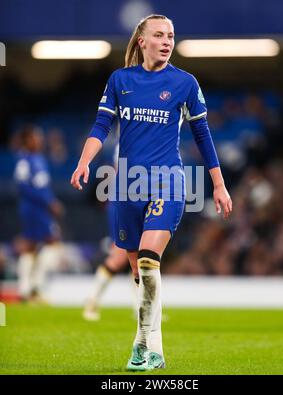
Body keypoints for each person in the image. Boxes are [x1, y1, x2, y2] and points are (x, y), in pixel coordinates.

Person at [71, 14, 232, 371]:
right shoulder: (120, 80)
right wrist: (84, 163)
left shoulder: (185, 83)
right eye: (158, 35)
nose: (166, 41)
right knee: (139, 274)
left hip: (168, 181)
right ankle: (143, 345)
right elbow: (101, 125)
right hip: (127, 185)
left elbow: (202, 135)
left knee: (148, 260)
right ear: (141, 41)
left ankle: (154, 350)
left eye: (171, 35)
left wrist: (218, 184)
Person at [14, 125, 64, 302]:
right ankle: (32, 287)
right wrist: (49, 202)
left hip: (36, 208)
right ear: (28, 140)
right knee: (49, 242)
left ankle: (27, 288)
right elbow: (25, 187)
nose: (40, 140)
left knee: (33, 245)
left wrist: (49, 201)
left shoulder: (35, 159)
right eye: (36, 137)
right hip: (34, 208)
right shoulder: (26, 160)